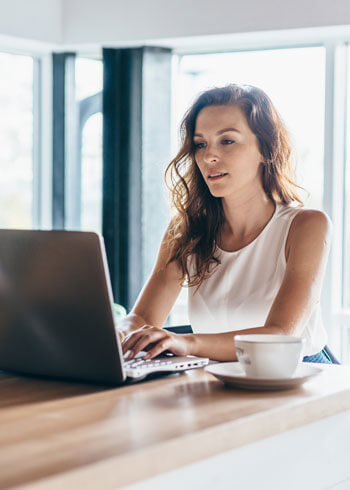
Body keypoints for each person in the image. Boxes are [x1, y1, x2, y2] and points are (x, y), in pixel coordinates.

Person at [119, 83, 337, 365]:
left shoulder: (307, 225)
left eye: (227, 141)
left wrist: (188, 343)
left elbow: (282, 335)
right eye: (200, 144)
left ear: (265, 150)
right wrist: (117, 332)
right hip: (218, 372)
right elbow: (143, 318)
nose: (209, 156)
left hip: (299, 375)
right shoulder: (185, 230)